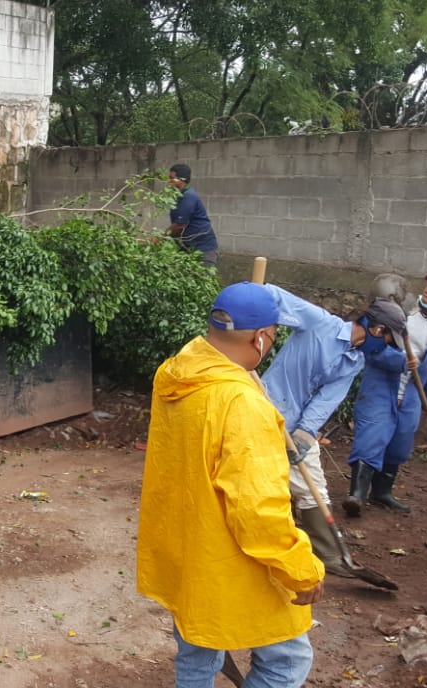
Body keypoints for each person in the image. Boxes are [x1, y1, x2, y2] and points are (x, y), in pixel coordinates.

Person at [138, 281, 324, 688]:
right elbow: (258, 510)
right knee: (287, 659)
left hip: (186, 550)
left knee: (197, 647)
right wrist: (301, 570)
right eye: (274, 336)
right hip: (227, 558)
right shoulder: (240, 404)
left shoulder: (177, 375)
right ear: (260, 338)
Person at [262, 286, 408, 577]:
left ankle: (330, 556)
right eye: (389, 340)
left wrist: (305, 431)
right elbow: (269, 294)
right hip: (264, 410)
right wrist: (255, 319)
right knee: (262, 478)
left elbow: (328, 397)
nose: (386, 348)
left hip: (297, 423)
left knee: (311, 482)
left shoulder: (356, 360)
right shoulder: (319, 322)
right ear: (377, 329)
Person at [345, 273, 427, 516]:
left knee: (401, 440)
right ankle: (356, 494)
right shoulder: (398, 311)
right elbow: (369, 345)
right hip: (381, 383)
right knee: (373, 433)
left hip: (411, 392)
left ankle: (382, 492)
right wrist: (399, 361)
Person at [166, 164, 219, 269]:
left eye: (172, 179)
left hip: (203, 250)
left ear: (182, 179)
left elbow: (180, 225)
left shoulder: (188, 197)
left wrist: (160, 238)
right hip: (188, 248)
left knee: (201, 280)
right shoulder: (179, 197)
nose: (169, 182)